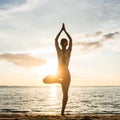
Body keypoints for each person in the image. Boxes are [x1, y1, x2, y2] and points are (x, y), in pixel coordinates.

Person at [43, 23, 72, 115]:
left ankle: (62, 112)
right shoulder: (58, 51)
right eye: (63, 42)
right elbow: (55, 40)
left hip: (66, 73)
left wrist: (65, 31)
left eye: (65, 42)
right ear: (61, 44)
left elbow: (71, 40)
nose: (64, 43)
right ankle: (59, 81)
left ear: (67, 44)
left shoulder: (69, 51)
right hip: (59, 73)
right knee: (45, 80)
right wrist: (61, 30)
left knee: (65, 94)